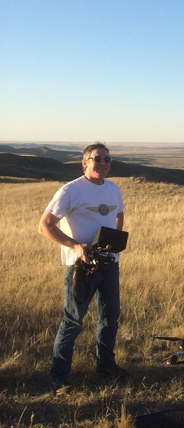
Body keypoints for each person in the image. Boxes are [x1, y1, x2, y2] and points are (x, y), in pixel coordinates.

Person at [38, 142, 128, 395]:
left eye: (107, 159)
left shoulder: (113, 189)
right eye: (97, 158)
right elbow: (45, 226)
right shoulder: (70, 191)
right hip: (81, 267)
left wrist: (114, 241)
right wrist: (76, 247)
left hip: (109, 265)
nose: (103, 163)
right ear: (85, 162)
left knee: (110, 318)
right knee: (73, 321)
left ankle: (106, 367)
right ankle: (59, 378)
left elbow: (119, 214)